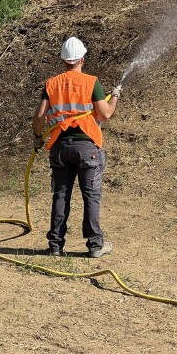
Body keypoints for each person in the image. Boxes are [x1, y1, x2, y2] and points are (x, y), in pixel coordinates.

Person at [32, 36, 122, 258]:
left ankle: (55, 245)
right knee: (91, 196)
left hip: (60, 147)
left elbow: (39, 116)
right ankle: (95, 246)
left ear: (64, 61)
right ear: (82, 59)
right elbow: (105, 114)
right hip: (87, 148)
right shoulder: (91, 82)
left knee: (61, 195)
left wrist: (38, 137)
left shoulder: (51, 84)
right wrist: (115, 97)